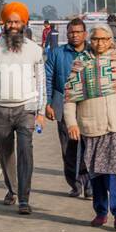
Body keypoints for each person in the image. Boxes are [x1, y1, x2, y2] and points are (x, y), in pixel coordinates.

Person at [64, 23, 116, 229]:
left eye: (103, 39)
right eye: (95, 39)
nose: (99, 43)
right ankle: (101, 211)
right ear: (89, 41)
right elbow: (70, 96)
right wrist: (72, 123)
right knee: (97, 172)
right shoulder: (81, 63)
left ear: (111, 40)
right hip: (93, 126)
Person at [0, 1, 46, 214]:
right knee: (4, 152)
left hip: (26, 108)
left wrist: (41, 111)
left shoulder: (35, 49)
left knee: (25, 151)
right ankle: (12, 189)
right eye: (9, 22)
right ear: (3, 23)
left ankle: (24, 199)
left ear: (24, 23)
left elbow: (41, 81)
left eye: (17, 22)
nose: (13, 25)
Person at [44, 17, 90, 198]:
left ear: (85, 34)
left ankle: (90, 184)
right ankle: (75, 183)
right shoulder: (57, 53)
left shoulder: (92, 52)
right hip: (63, 105)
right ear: (67, 33)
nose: (75, 35)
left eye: (78, 32)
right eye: (71, 32)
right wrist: (47, 104)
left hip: (89, 107)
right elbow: (48, 78)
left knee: (90, 147)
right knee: (68, 148)